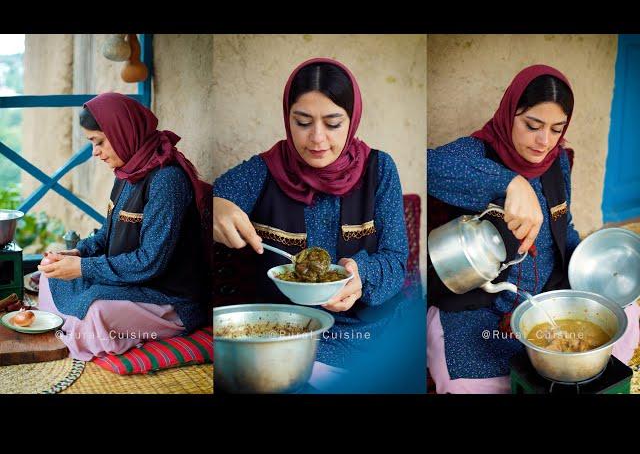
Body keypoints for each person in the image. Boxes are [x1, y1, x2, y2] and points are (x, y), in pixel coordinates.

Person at [426, 65, 640, 394]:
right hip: (481, 306)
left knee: (623, 317)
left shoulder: (557, 161)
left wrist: (588, 271)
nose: (544, 141)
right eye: (532, 125)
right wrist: (509, 182)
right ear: (510, 112)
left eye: (556, 129)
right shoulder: (473, 153)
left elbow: (562, 222)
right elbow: (426, 165)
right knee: (469, 372)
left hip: (546, 294)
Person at [213, 58, 411, 370]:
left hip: (365, 330)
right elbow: (214, 199)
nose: (317, 139)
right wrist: (215, 206)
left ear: (353, 120)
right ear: (287, 118)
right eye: (303, 123)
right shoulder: (263, 170)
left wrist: (361, 277)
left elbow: (396, 259)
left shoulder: (379, 169)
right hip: (287, 330)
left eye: (333, 124)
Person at [37, 92, 212, 361]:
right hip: (129, 282)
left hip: (168, 298)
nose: (95, 152)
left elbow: (151, 262)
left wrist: (83, 268)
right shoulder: (127, 173)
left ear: (122, 132)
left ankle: (77, 333)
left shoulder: (167, 181)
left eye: (99, 142)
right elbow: (107, 235)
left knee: (95, 309)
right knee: (51, 279)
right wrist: (78, 255)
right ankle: (74, 331)